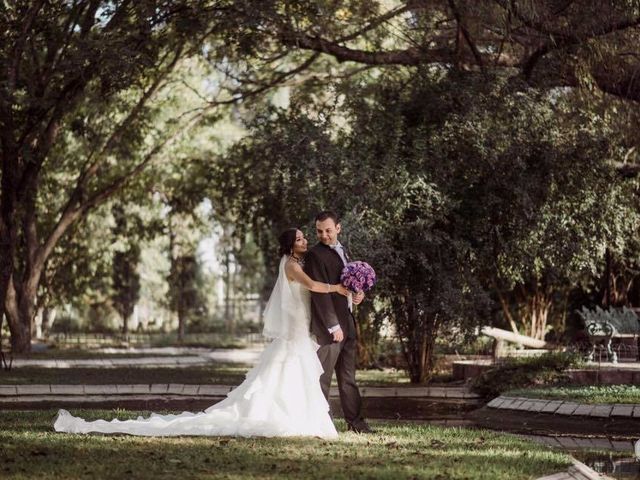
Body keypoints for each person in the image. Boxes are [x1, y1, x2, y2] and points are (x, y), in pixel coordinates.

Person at [53, 228, 348, 439]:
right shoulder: (292, 267)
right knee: (288, 369)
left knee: (292, 371)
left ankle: (297, 415)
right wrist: (336, 288)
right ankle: (288, 417)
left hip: (299, 324)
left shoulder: (297, 262)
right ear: (289, 245)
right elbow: (313, 286)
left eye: (303, 237)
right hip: (295, 327)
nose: (305, 240)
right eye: (299, 238)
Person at [304, 210, 373, 433]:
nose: (324, 235)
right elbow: (319, 294)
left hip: (348, 322)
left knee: (348, 378)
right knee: (323, 378)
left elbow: (348, 284)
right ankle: (321, 424)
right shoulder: (314, 255)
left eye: (328, 230)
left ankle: (357, 424)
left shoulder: (344, 250)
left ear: (338, 228)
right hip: (330, 328)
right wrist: (333, 325)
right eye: (319, 231)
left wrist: (358, 294)